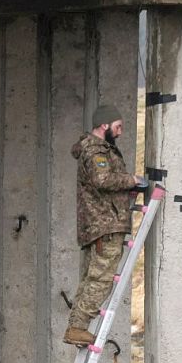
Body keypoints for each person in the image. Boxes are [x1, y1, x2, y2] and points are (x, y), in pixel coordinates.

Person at [64, 104, 142, 346]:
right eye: (118, 127)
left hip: (99, 225)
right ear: (104, 125)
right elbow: (103, 179)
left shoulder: (96, 149)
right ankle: (77, 328)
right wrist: (132, 180)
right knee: (100, 279)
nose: (120, 132)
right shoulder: (96, 151)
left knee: (91, 278)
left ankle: (76, 327)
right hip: (104, 224)